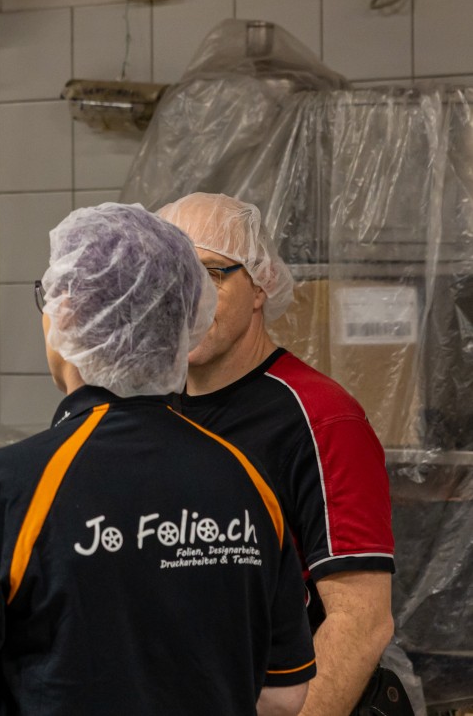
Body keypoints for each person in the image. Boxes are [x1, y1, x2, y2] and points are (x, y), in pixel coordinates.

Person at [0, 203, 316, 715]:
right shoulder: (247, 479)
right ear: (183, 321)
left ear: (68, 316)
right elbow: (283, 694)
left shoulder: (9, 486)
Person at [158, 192, 396, 716]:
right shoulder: (152, 411)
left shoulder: (321, 418)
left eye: (212, 274)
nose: (189, 299)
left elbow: (361, 620)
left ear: (260, 284)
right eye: (172, 277)